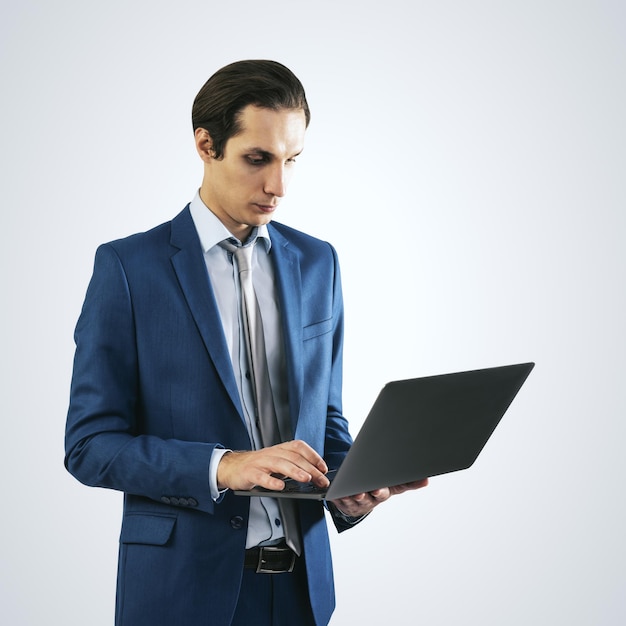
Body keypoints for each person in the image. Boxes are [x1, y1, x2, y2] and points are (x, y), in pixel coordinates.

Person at [64, 59, 428, 626]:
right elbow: (89, 445)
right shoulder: (129, 269)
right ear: (206, 145)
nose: (278, 186)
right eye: (257, 159)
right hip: (181, 590)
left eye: (291, 161)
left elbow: (325, 419)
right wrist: (222, 466)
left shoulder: (317, 262)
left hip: (302, 593)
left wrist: (350, 486)